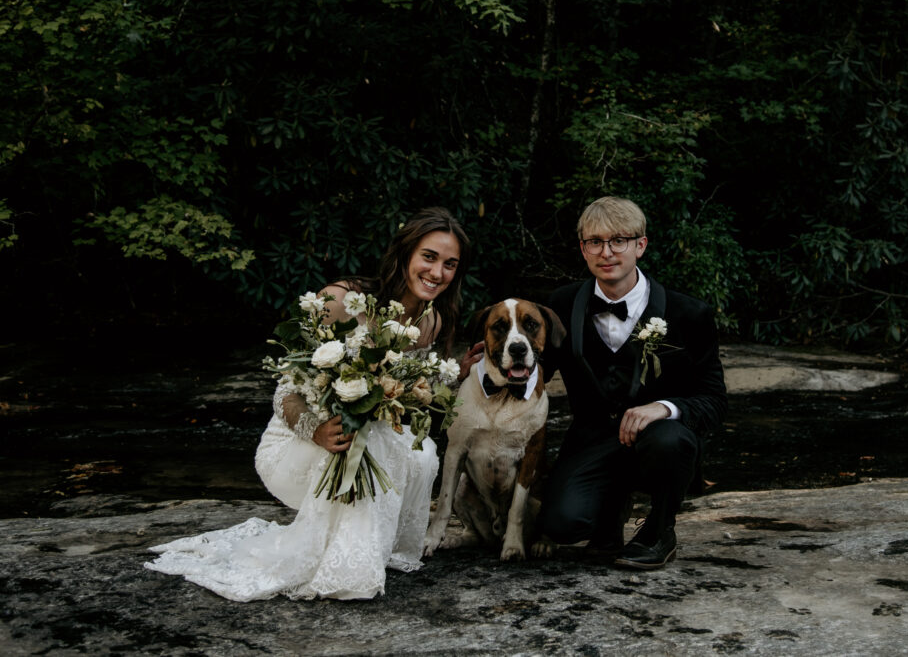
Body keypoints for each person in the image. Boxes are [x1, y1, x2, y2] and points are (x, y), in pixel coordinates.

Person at [145, 207, 482, 601]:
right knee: (377, 439)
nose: (437, 272)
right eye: (429, 257)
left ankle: (368, 551)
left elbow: (407, 389)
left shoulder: (431, 321)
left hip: (359, 441)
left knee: (419, 448)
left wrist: (454, 373)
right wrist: (317, 431)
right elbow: (284, 390)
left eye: (450, 264)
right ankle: (344, 567)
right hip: (299, 445)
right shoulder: (341, 301)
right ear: (405, 253)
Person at [538, 196, 727, 570]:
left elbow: (714, 400)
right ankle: (608, 516)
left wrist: (664, 408)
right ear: (583, 249)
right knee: (560, 526)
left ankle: (659, 529)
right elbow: (535, 371)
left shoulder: (689, 314)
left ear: (640, 245)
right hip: (591, 441)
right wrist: (486, 367)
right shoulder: (558, 305)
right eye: (595, 242)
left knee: (669, 438)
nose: (606, 252)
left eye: (618, 240)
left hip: (657, 443)